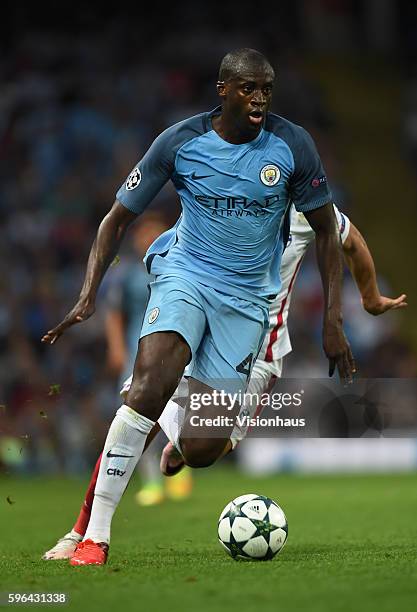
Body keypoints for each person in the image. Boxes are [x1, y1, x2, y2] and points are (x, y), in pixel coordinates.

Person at [42, 48, 355, 566]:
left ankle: (172, 422)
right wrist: (86, 295)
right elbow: (116, 219)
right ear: (223, 89)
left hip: (247, 300)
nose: (259, 98)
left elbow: (327, 231)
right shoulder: (181, 141)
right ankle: (93, 537)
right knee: (146, 384)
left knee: (205, 449)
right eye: (248, 88)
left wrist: (334, 322)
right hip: (184, 273)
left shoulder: (293, 145)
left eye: (266, 89)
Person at [42, 202, 407, 561]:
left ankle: (184, 440)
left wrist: (370, 298)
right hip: (202, 332)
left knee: (210, 449)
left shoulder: (306, 208)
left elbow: (352, 242)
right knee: (141, 414)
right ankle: (81, 533)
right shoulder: (226, 189)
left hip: (261, 352)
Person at [104, 212, 192, 506]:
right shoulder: (127, 273)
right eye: (145, 234)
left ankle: (176, 468)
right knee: (136, 415)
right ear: (137, 238)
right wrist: (116, 348)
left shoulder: (181, 266)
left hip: (175, 352)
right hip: (137, 352)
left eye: (156, 232)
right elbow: (114, 313)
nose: (149, 239)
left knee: (176, 410)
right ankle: (151, 483)